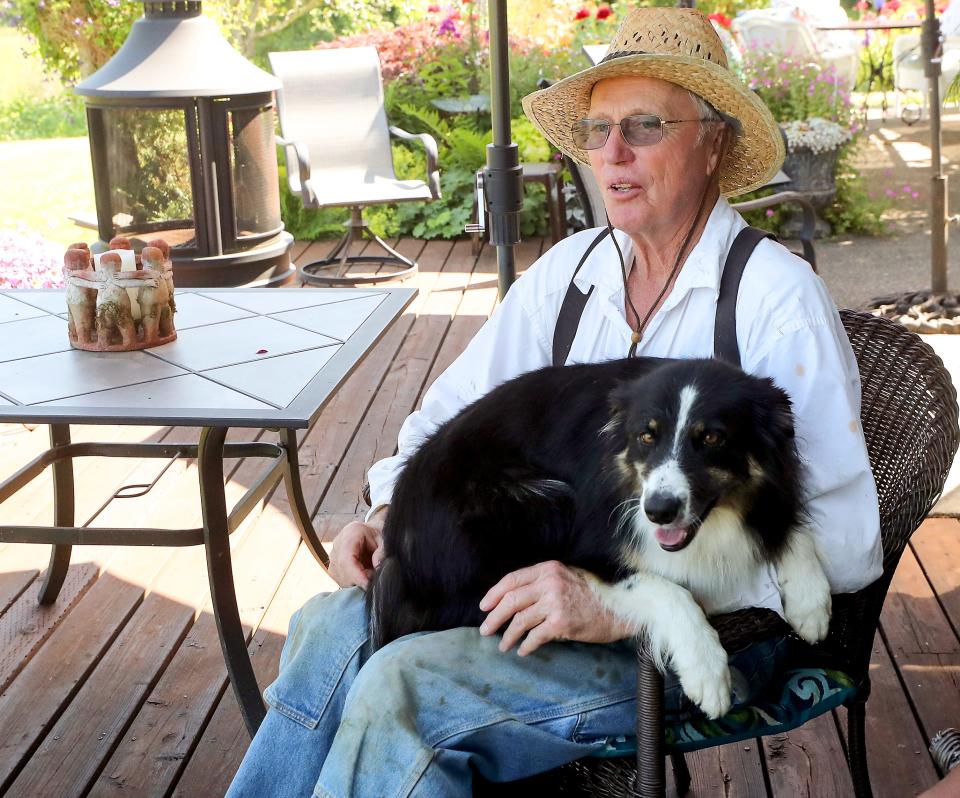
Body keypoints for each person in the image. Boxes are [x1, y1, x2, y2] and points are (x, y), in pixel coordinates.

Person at [227, 8, 882, 797]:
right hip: (552, 584)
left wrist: (619, 610)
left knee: (402, 687)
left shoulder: (774, 297)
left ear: (712, 144)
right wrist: (383, 509)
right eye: (599, 129)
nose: (612, 153)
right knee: (326, 628)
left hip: (721, 636)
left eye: (644, 125)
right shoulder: (569, 276)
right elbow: (447, 419)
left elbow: (847, 543)